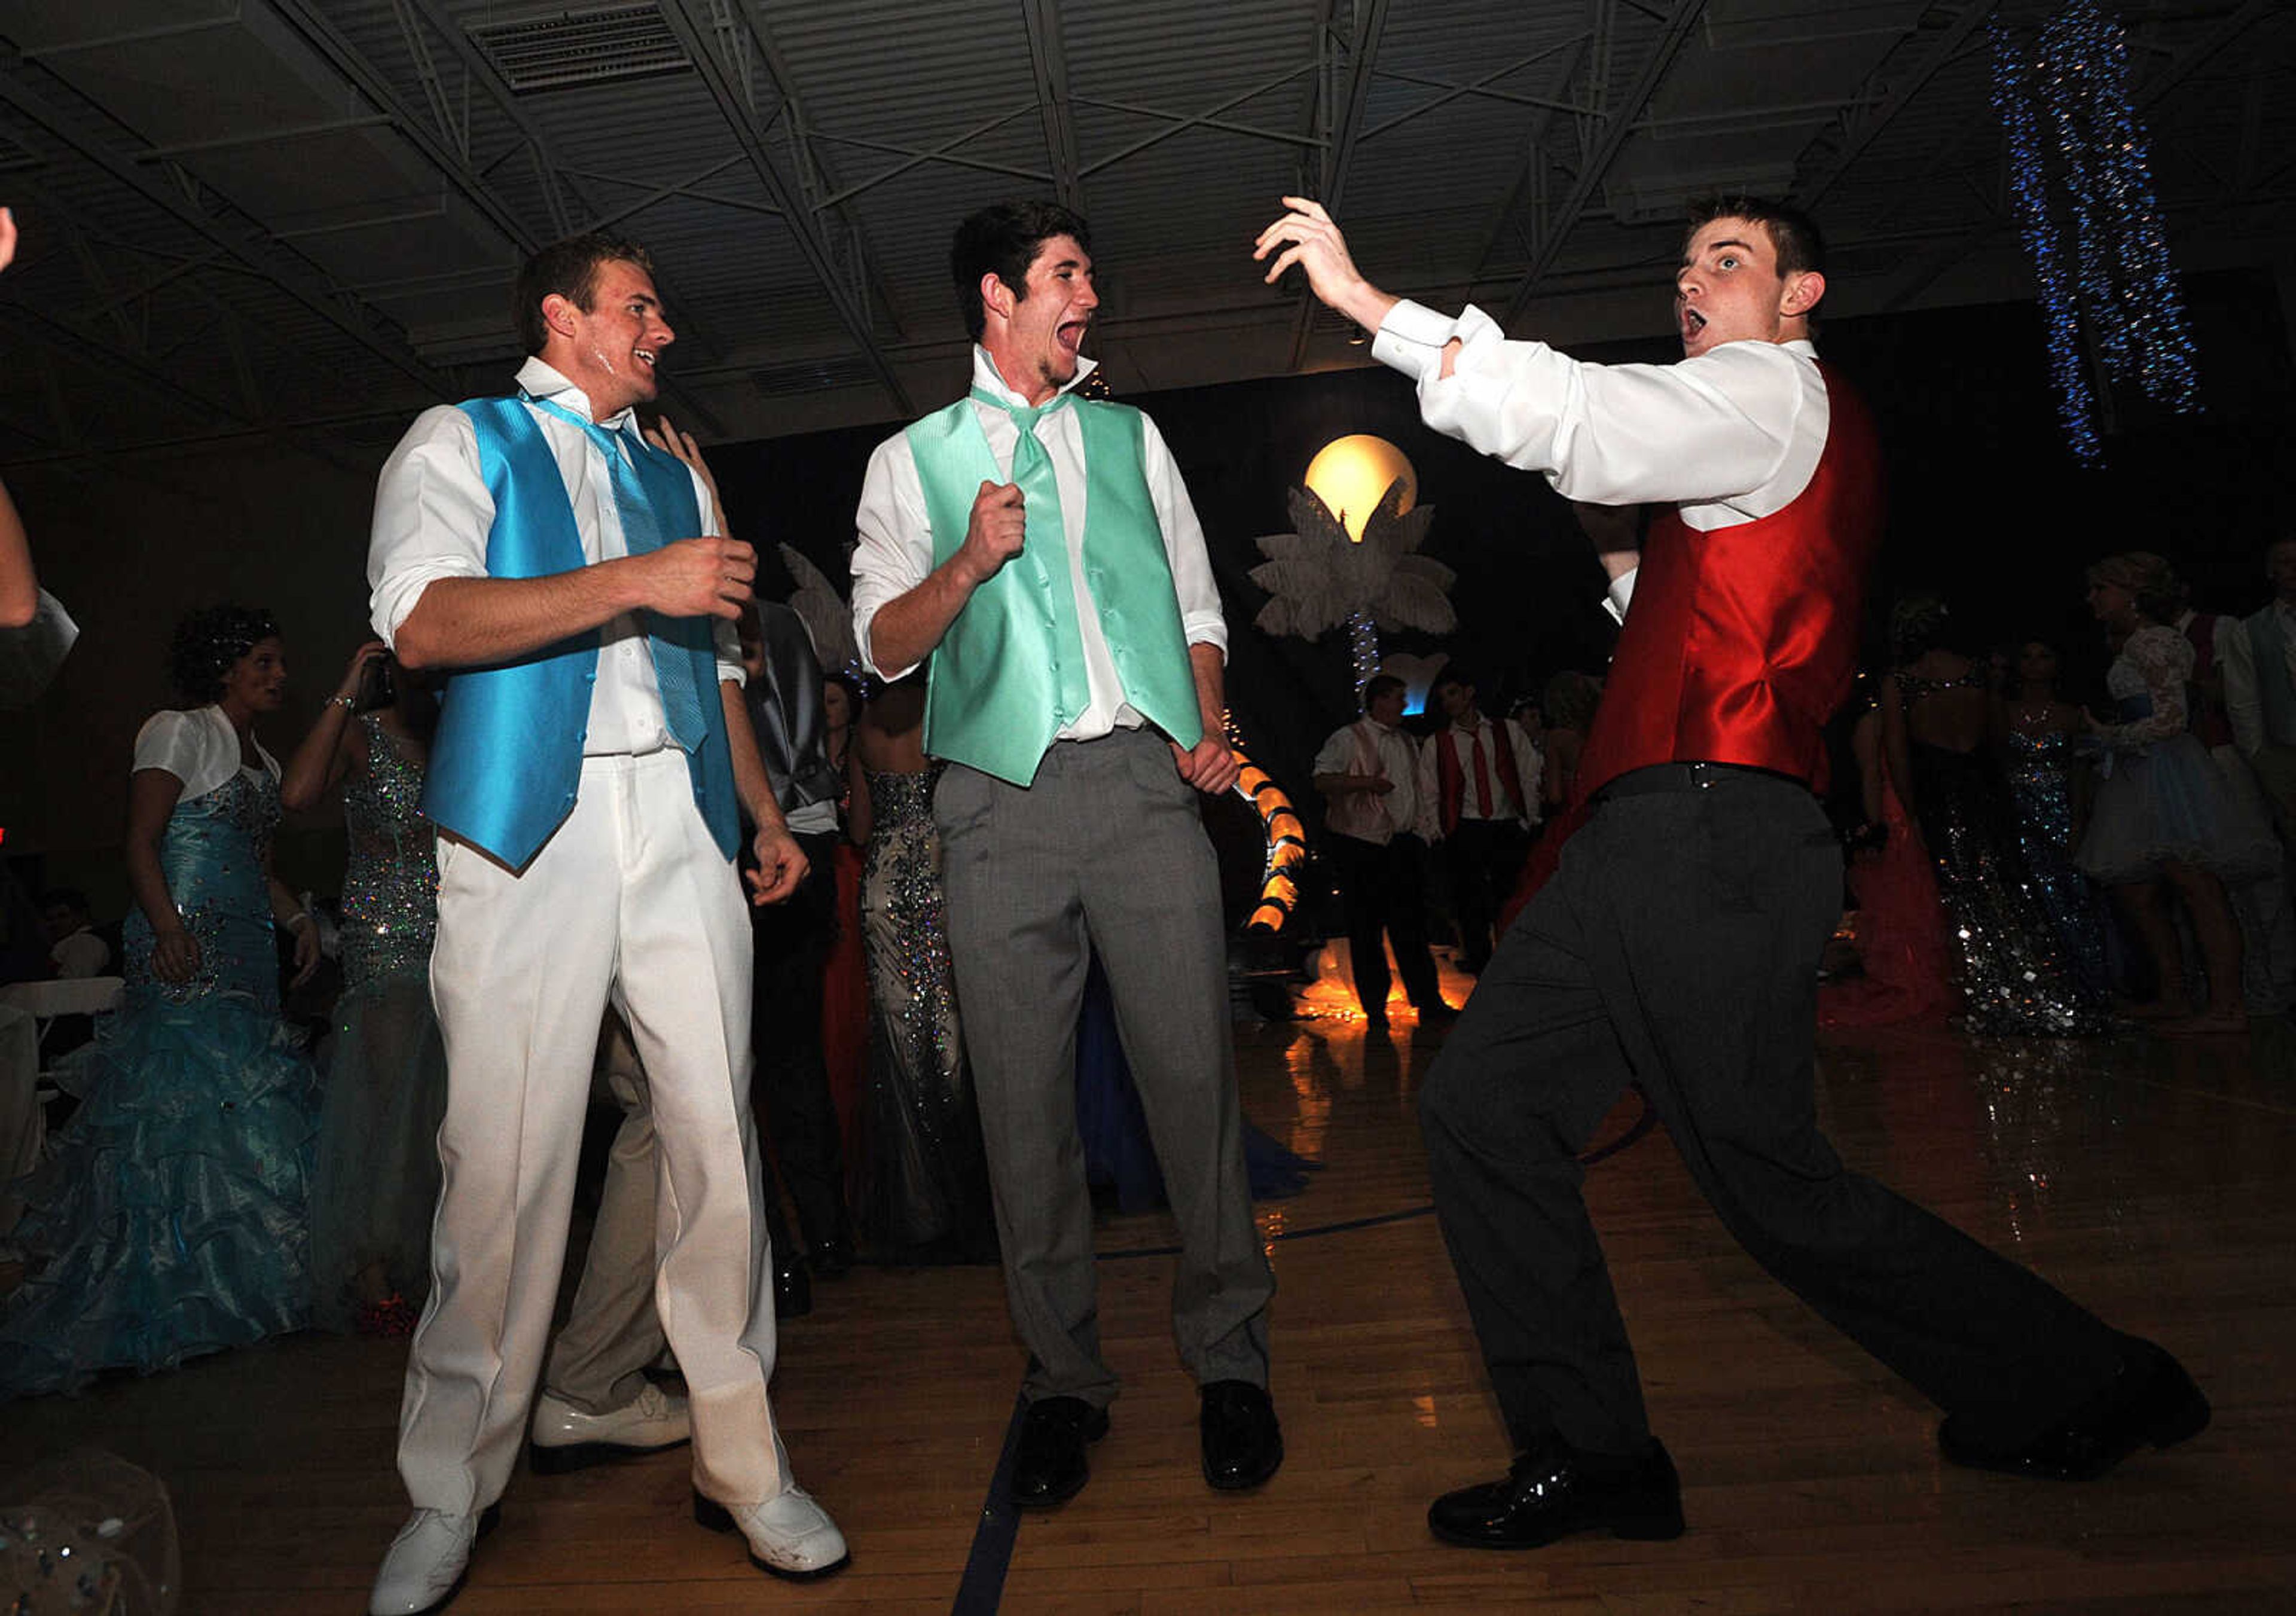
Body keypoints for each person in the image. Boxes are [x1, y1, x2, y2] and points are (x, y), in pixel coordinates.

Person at [1258, 193, 2208, 1551]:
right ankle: (1593, 1456)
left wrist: (1369, 310)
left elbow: (1583, 419)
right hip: (1644, 835)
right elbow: (1663, 609)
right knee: (1480, 1106)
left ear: (1801, 292)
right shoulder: (1753, 438)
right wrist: (1596, 511)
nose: (1694, 286)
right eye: (1686, 268)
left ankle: (2091, 1383)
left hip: (1706, 831)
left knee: (1766, 1180)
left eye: (1729, 261)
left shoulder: (1767, 391)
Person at [364, 231, 845, 1614]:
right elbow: (425, 627)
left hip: (680, 829)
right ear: (564, 318)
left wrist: (759, 814)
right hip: (529, 835)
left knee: (717, 1147)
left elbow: (717, 664)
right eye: (640, 308)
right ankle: (450, 1491)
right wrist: (640, 581)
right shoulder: (458, 441)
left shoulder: (677, 467)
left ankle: (744, 1467)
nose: (663, 331)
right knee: (502, 1172)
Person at [850, 199, 1280, 1509]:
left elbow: (1196, 599)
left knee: (1193, 1084)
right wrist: (968, 563)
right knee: (1023, 1114)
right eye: (1066, 275)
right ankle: (1063, 1382)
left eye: (1087, 272)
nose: (1088, 296)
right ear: (998, 296)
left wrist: (1204, 724)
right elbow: (879, 645)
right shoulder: (906, 460)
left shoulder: (1133, 436)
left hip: (1144, 789)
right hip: (992, 804)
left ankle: (1231, 1361)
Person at [0, 606, 322, 1398]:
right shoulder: (178, 729)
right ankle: (174, 1291)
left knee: (243, 1108)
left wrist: (297, 918)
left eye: (280, 663)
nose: (280, 676)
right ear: (223, 667)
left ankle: (247, 1287)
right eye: (265, 662)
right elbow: (139, 839)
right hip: (185, 940)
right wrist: (167, 926)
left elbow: (256, 861)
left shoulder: (262, 761)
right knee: (179, 1106)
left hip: (247, 950)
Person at [281, 639, 448, 1337]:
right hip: (386, 945)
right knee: (388, 1109)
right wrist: (346, 685)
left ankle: (437, 1266)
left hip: (459, 942)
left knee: (444, 1116)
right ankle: (372, 1270)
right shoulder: (359, 734)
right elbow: (295, 796)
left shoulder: (457, 738)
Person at [1879, 596, 2106, 1035]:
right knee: (2007, 885)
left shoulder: (1901, 682)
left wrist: (1911, 812)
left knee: (1959, 891)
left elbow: (1898, 754)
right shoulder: (1979, 673)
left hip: (1938, 791)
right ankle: (2036, 989)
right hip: (1983, 784)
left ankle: (1987, 996)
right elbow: (2000, 736)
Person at [2077, 552, 2278, 1035]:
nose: (2093, 600)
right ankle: (2175, 994)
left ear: (2131, 592)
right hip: (2142, 770)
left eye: (2101, 589)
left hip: (2165, 768)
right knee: (2140, 886)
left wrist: (2110, 735)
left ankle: (2228, 1005)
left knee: (2196, 884)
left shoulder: (2157, 641)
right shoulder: (2138, 642)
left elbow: (2172, 719)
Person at [846, 675, 997, 1264]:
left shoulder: (864, 724)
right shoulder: (946, 710)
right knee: (954, 1044)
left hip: (881, 889)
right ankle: (972, 1212)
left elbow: (859, 829)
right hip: (941, 879)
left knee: (901, 1048)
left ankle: (918, 1212)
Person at [1312, 672, 1453, 1028]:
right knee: (1366, 928)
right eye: (1398, 698)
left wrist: (1424, 830)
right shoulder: (1347, 738)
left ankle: (1428, 1001)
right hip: (1360, 846)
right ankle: (1375, 1008)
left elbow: (1418, 791)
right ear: (1378, 701)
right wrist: (1366, 784)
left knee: (1412, 926)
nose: (1404, 705)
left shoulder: (1406, 741)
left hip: (1401, 845)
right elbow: (1321, 780)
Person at [1999, 638, 2112, 999]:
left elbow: (2080, 773)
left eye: (2044, 656)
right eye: (2027, 657)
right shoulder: (2001, 712)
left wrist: (2078, 821)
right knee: (2025, 894)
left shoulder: (2072, 715)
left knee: (2072, 894)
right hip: (2017, 813)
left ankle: (2087, 982)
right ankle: (2037, 986)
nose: (2035, 664)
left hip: (2060, 811)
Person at [1419, 666, 1541, 973]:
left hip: (1505, 824)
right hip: (1465, 827)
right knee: (1470, 907)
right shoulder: (1439, 742)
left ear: (1469, 693)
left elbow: (1528, 773)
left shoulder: (1507, 731)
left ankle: (1521, 965)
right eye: (1443, 697)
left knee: (1512, 899)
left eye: (1453, 694)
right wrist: (1437, 830)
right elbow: (1430, 788)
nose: (1448, 702)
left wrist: (1529, 817)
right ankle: (1484, 971)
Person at [2224, 531, 2296, 839]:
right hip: (2286, 752)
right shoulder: (2250, 630)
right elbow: (2243, 698)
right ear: (2271, 571)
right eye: (2286, 562)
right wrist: (2258, 755)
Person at [37, 888, 109, 980]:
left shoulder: (84, 941)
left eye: (63, 916)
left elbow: (75, 983)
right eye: (49, 919)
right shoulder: (69, 942)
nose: (55, 923)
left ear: (81, 916)